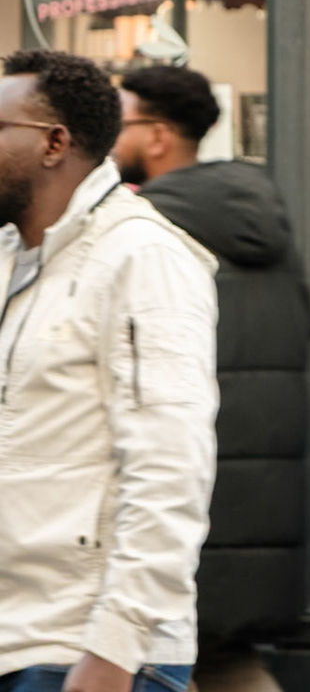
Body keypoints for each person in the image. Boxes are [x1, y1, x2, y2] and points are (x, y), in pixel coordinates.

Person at [0, 50, 218, 692]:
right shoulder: (13, 261)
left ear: (54, 143)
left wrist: (116, 648)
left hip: (85, 653)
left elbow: (170, 470)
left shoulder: (143, 258)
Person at [112, 67, 310, 692]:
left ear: (157, 135)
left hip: (182, 502)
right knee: (230, 663)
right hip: (263, 508)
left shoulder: (138, 232)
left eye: (118, 121)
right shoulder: (270, 226)